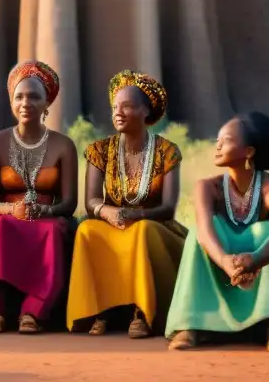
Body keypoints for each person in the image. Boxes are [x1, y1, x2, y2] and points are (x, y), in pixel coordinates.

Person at [165, 111, 269, 352]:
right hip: (224, 266)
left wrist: (255, 259)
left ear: (249, 151)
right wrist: (225, 261)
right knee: (199, 234)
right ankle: (191, 324)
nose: (217, 145)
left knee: (268, 231)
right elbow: (207, 231)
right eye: (217, 139)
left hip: (261, 264)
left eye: (226, 140)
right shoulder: (207, 188)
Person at [65, 71, 186, 337]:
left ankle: (142, 312)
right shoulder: (100, 150)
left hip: (155, 225)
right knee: (87, 231)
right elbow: (91, 200)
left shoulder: (167, 151)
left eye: (127, 106)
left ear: (146, 112)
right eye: (115, 107)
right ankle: (101, 310)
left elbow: (168, 207)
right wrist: (106, 211)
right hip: (113, 222)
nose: (118, 112)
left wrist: (136, 214)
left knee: (141, 232)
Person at [0, 61, 78, 334]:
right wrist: (10, 209)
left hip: (47, 215)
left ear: (47, 104)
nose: (25, 103)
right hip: (6, 213)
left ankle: (34, 311)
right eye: (19, 96)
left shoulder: (63, 145)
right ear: (11, 101)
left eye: (34, 97)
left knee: (52, 232)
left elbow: (69, 203)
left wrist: (43, 212)